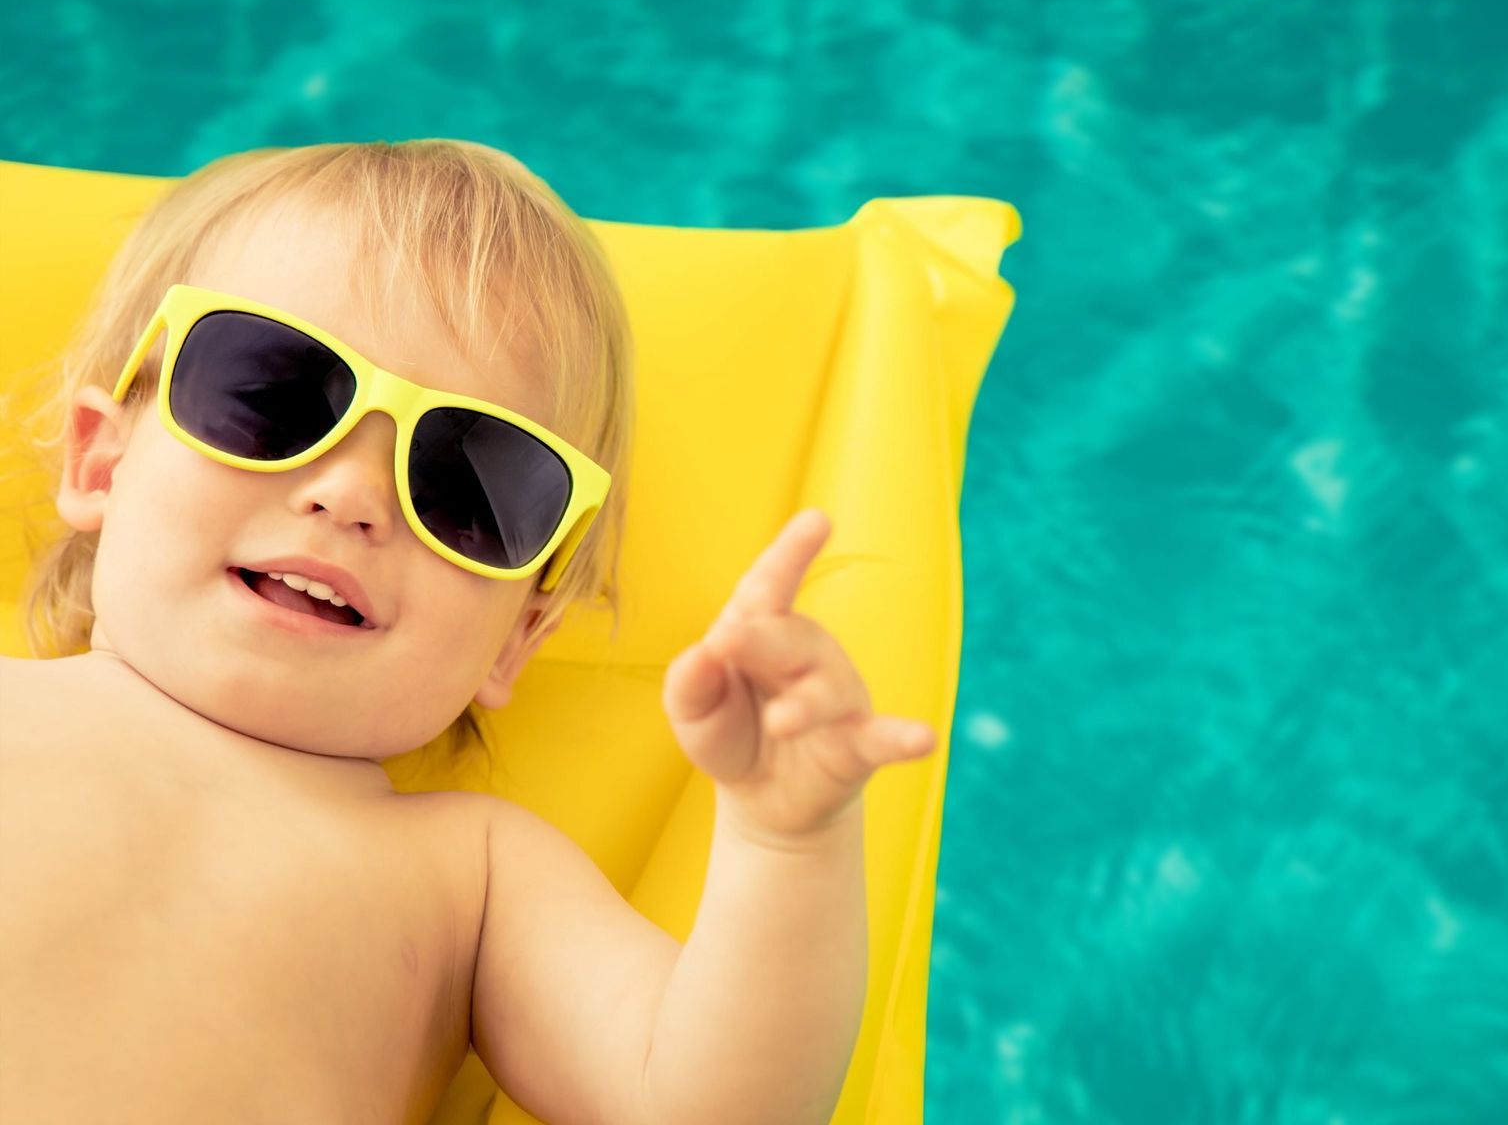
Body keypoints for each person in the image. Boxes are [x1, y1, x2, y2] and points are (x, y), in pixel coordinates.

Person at [0, 139, 939, 1124]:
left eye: (465, 485)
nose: (351, 496)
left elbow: (708, 1107)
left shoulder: (475, 880)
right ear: (101, 464)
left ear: (517, 635)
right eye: (274, 401)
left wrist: (786, 839)